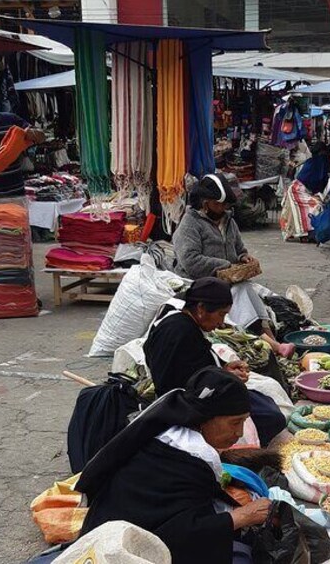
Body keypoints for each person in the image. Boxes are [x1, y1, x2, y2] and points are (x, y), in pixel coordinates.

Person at [76, 367, 272, 564]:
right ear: (204, 417)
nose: (239, 433)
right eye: (235, 423)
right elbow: (172, 535)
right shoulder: (187, 458)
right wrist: (240, 517)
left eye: (243, 422)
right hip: (118, 552)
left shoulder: (165, 432)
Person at [144, 277, 287, 446]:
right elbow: (174, 384)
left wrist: (224, 368)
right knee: (270, 417)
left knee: (267, 401)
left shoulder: (186, 322)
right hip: (187, 404)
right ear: (201, 309)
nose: (221, 323)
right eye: (221, 314)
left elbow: (196, 361)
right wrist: (224, 377)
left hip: (202, 391)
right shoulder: (179, 332)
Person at [173, 174, 293, 357]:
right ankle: (273, 344)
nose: (222, 208)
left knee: (244, 288)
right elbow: (190, 260)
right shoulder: (189, 224)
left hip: (229, 279)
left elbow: (239, 248)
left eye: (224, 205)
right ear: (205, 203)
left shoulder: (228, 221)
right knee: (237, 292)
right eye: (218, 204)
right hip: (198, 281)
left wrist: (244, 257)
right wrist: (225, 265)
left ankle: (271, 340)